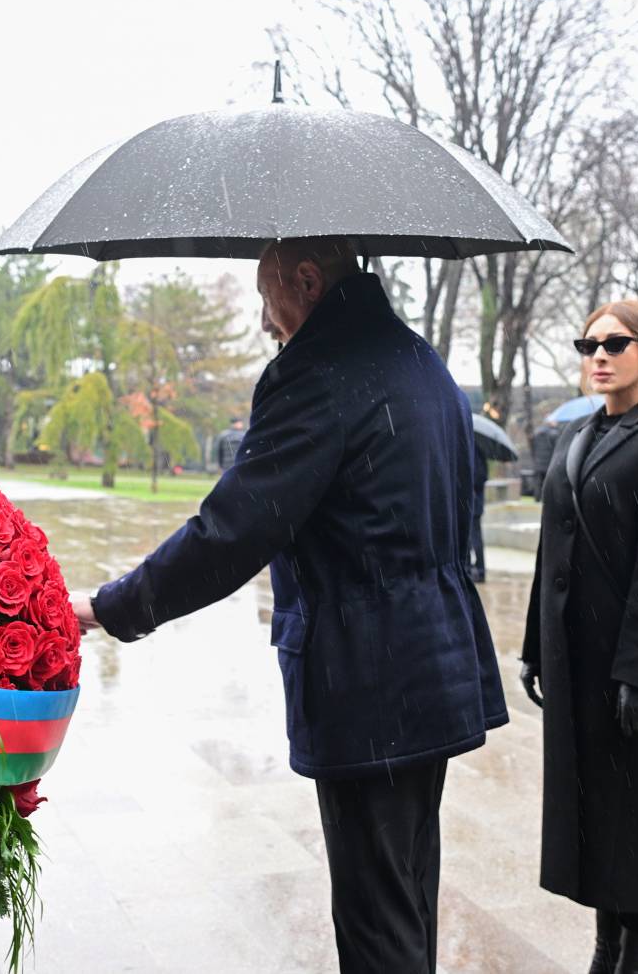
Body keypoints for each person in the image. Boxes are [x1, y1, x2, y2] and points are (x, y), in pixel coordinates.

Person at [73, 236, 507, 974]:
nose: (264, 319)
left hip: (368, 678)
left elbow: (233, 531)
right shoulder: (420, 360)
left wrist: (113, 607)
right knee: (406, 892)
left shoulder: (319, 372)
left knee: (376, 922)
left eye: (266, 296)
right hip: (433, 665)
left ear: (307, 280)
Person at [520, 300, 638, 974]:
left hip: (632, 659)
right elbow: (553, 545)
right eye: (589, 344)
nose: (598, 355)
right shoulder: (577, 434)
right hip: (576, 656)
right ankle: (604, 948)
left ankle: (635, 957)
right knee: (597, 807)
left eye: (616, 343)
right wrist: (536, 646)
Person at [470, 442, 488, 582]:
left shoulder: (475, 450)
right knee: (472, 538)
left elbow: (480, 477)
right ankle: (473, 568)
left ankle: (480, 570)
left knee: (475, 538)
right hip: (471, 503)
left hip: (473, 503)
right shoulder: (475, 450)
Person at [530, 416, 559, 501]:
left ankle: (537, 498)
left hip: (537, 462)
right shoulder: (554, 434)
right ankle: (546, 498)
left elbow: (533, 448)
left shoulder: (536, 433)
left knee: (538, 481)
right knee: (547, 482)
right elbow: (556, 449)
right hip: (549, 463)